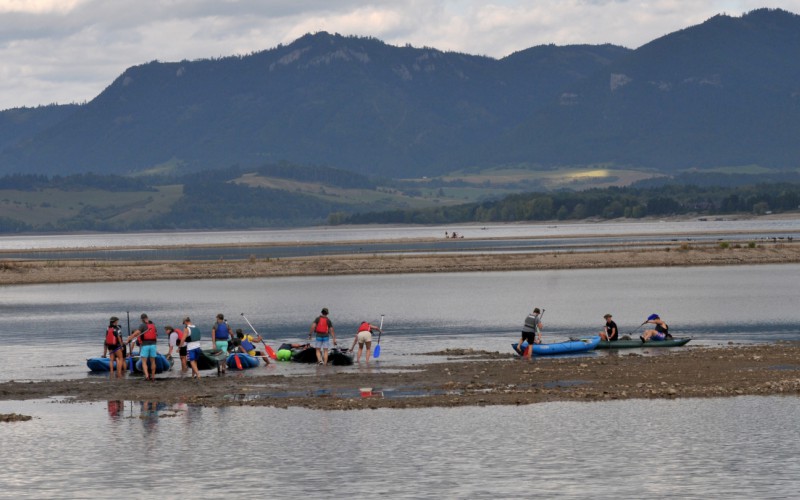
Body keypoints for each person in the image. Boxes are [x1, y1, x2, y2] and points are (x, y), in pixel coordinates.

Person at [128, 313, 158, 381]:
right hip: (153, 345)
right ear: (147, 317)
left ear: (142, 319)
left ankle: (147, 376)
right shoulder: (153, 325)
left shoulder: (142, 325)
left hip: (145, 345)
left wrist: (129, 338)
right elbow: (156, 334)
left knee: (144, 362)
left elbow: (137, 333)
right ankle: (153, 377)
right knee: (153, 361)